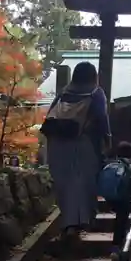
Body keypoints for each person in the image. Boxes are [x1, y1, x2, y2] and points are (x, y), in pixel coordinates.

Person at [41, 61, 111, 248]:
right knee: (81, 184)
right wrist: (107, 141)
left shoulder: (64, 93)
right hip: (82, 143)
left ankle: (68, 225)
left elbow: (50, 117)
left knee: (64, 185)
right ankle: (76, 225)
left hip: (57, 145)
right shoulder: (96, 93)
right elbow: (102, 119)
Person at [99, 141, 131, 261]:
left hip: (109, 197)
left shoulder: (111, 163)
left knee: (120, 220)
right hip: (123, 198)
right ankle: (117, 247)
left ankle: (119, 244)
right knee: (122, 221)